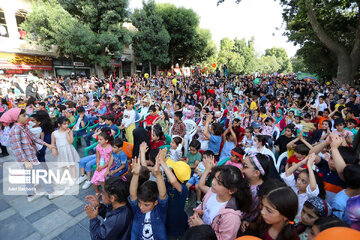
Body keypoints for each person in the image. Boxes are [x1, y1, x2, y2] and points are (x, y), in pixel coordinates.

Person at [1, 108, 64, 201]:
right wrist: (25, 160)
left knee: (29, 175)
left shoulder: (23, 127)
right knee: (41, 173)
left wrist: (48, 145)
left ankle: (31, 195)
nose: (27, 117)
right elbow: (17, 148)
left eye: (26, 115)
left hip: (30, 156)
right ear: (16, 118)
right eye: (24, 116)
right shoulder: (15, 130)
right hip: (28, 158)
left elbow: (33, 138)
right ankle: (51, 192)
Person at [189, 155, 252, 240]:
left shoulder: (231, 217)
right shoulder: (212, 192)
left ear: (232, 190)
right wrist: (198, 212)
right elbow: (203, 205)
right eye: (214, 178)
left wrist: (201, 227)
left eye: (219, 183)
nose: (213, 183)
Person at [129, 154, 168, 240]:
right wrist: (135, 175)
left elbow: (163, 195)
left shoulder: (159, 210)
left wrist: (158, 176)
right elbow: (132, 195)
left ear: (155, 203)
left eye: (146, 205)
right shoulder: (137, 209)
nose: (141, 207)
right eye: (139, 202)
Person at [158, 148, 191, 239]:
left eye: (171, 170)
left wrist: (163, 163)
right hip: (166, 217)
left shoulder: (183, 189)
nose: (168, 171)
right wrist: (161, 160)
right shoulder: (167, 183)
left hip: (177, 221)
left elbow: (173, 181)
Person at [51, 116, 80, 182]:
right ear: (59, 124)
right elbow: (53, 143)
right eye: (64, 124)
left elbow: (71, 141)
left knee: (72, 164)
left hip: (69, 150)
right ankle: (67, 178)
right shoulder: (54, 133)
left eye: (67, 124)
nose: (66, 125)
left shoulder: (69, 132)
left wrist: (67, 133)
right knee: (64, 166)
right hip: (61, 151)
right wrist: (53, 149)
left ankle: (75, 178)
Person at [91, 131, 113, 196]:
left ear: (106, 140)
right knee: (93, 180)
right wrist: (98, 165)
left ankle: (105, 193)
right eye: (98, 139)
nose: (99, 141)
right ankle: (97, 192)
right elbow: (98, 157)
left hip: (108, 165)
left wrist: (103, 167)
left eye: (101, 139)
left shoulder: (110, 148)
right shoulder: (98, 146)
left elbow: (111, 160)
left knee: (101, 180)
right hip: (101, 164)